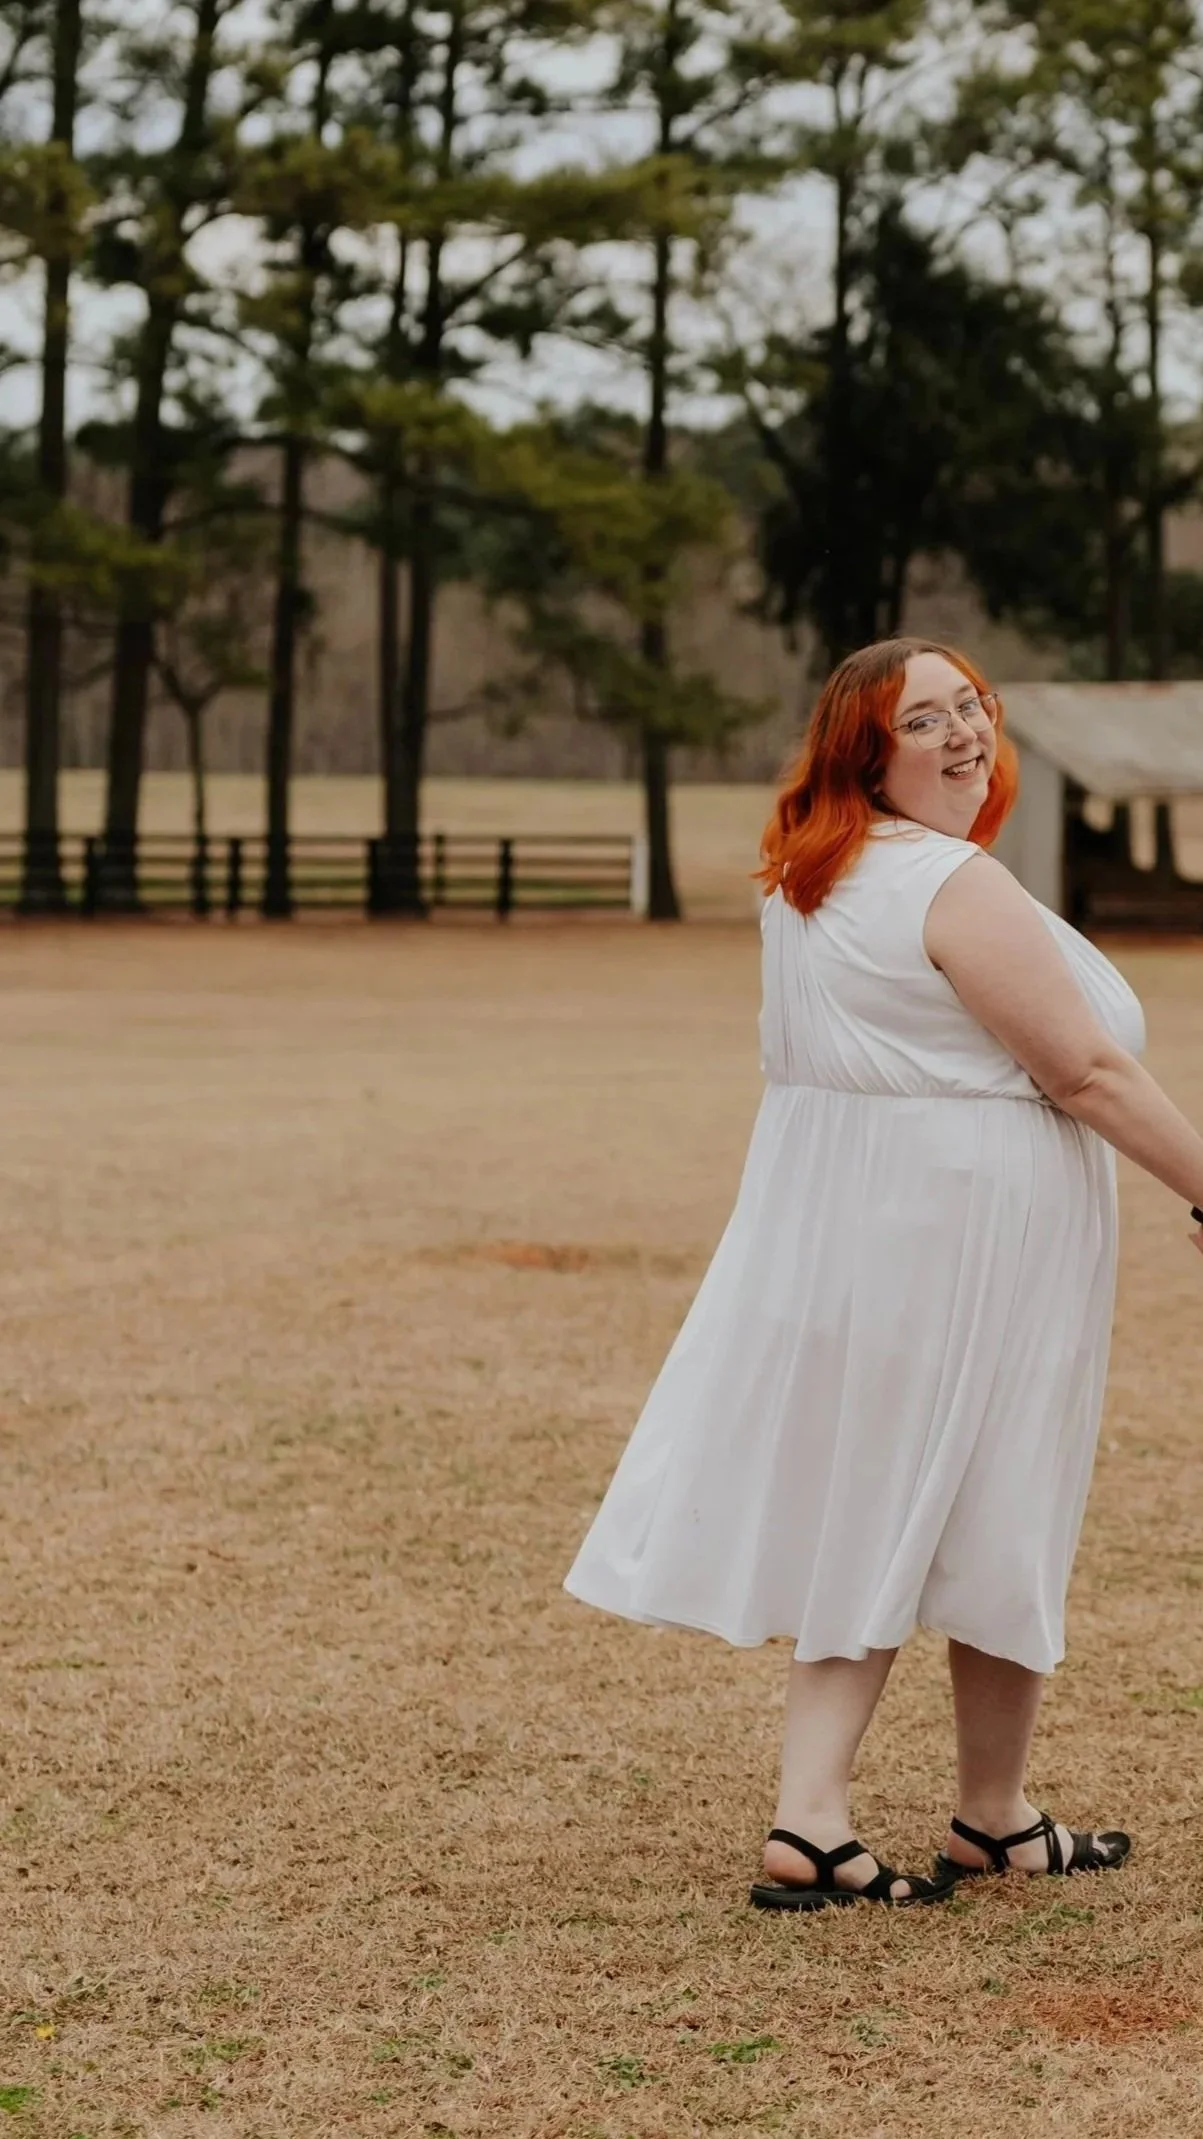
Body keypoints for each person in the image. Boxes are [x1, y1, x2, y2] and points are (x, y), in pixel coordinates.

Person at [563, 636, 1203, 1912]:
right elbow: (1084, 1072)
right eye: (926, 720)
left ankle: (968, 1814)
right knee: (978, 1495)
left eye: (972, 705)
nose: (964, 732)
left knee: (916, 1498)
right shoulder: (949, 884)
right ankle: (848, 1821)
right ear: (869, 752)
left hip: (874, 1228)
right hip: (971, 1237)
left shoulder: (813, 878)